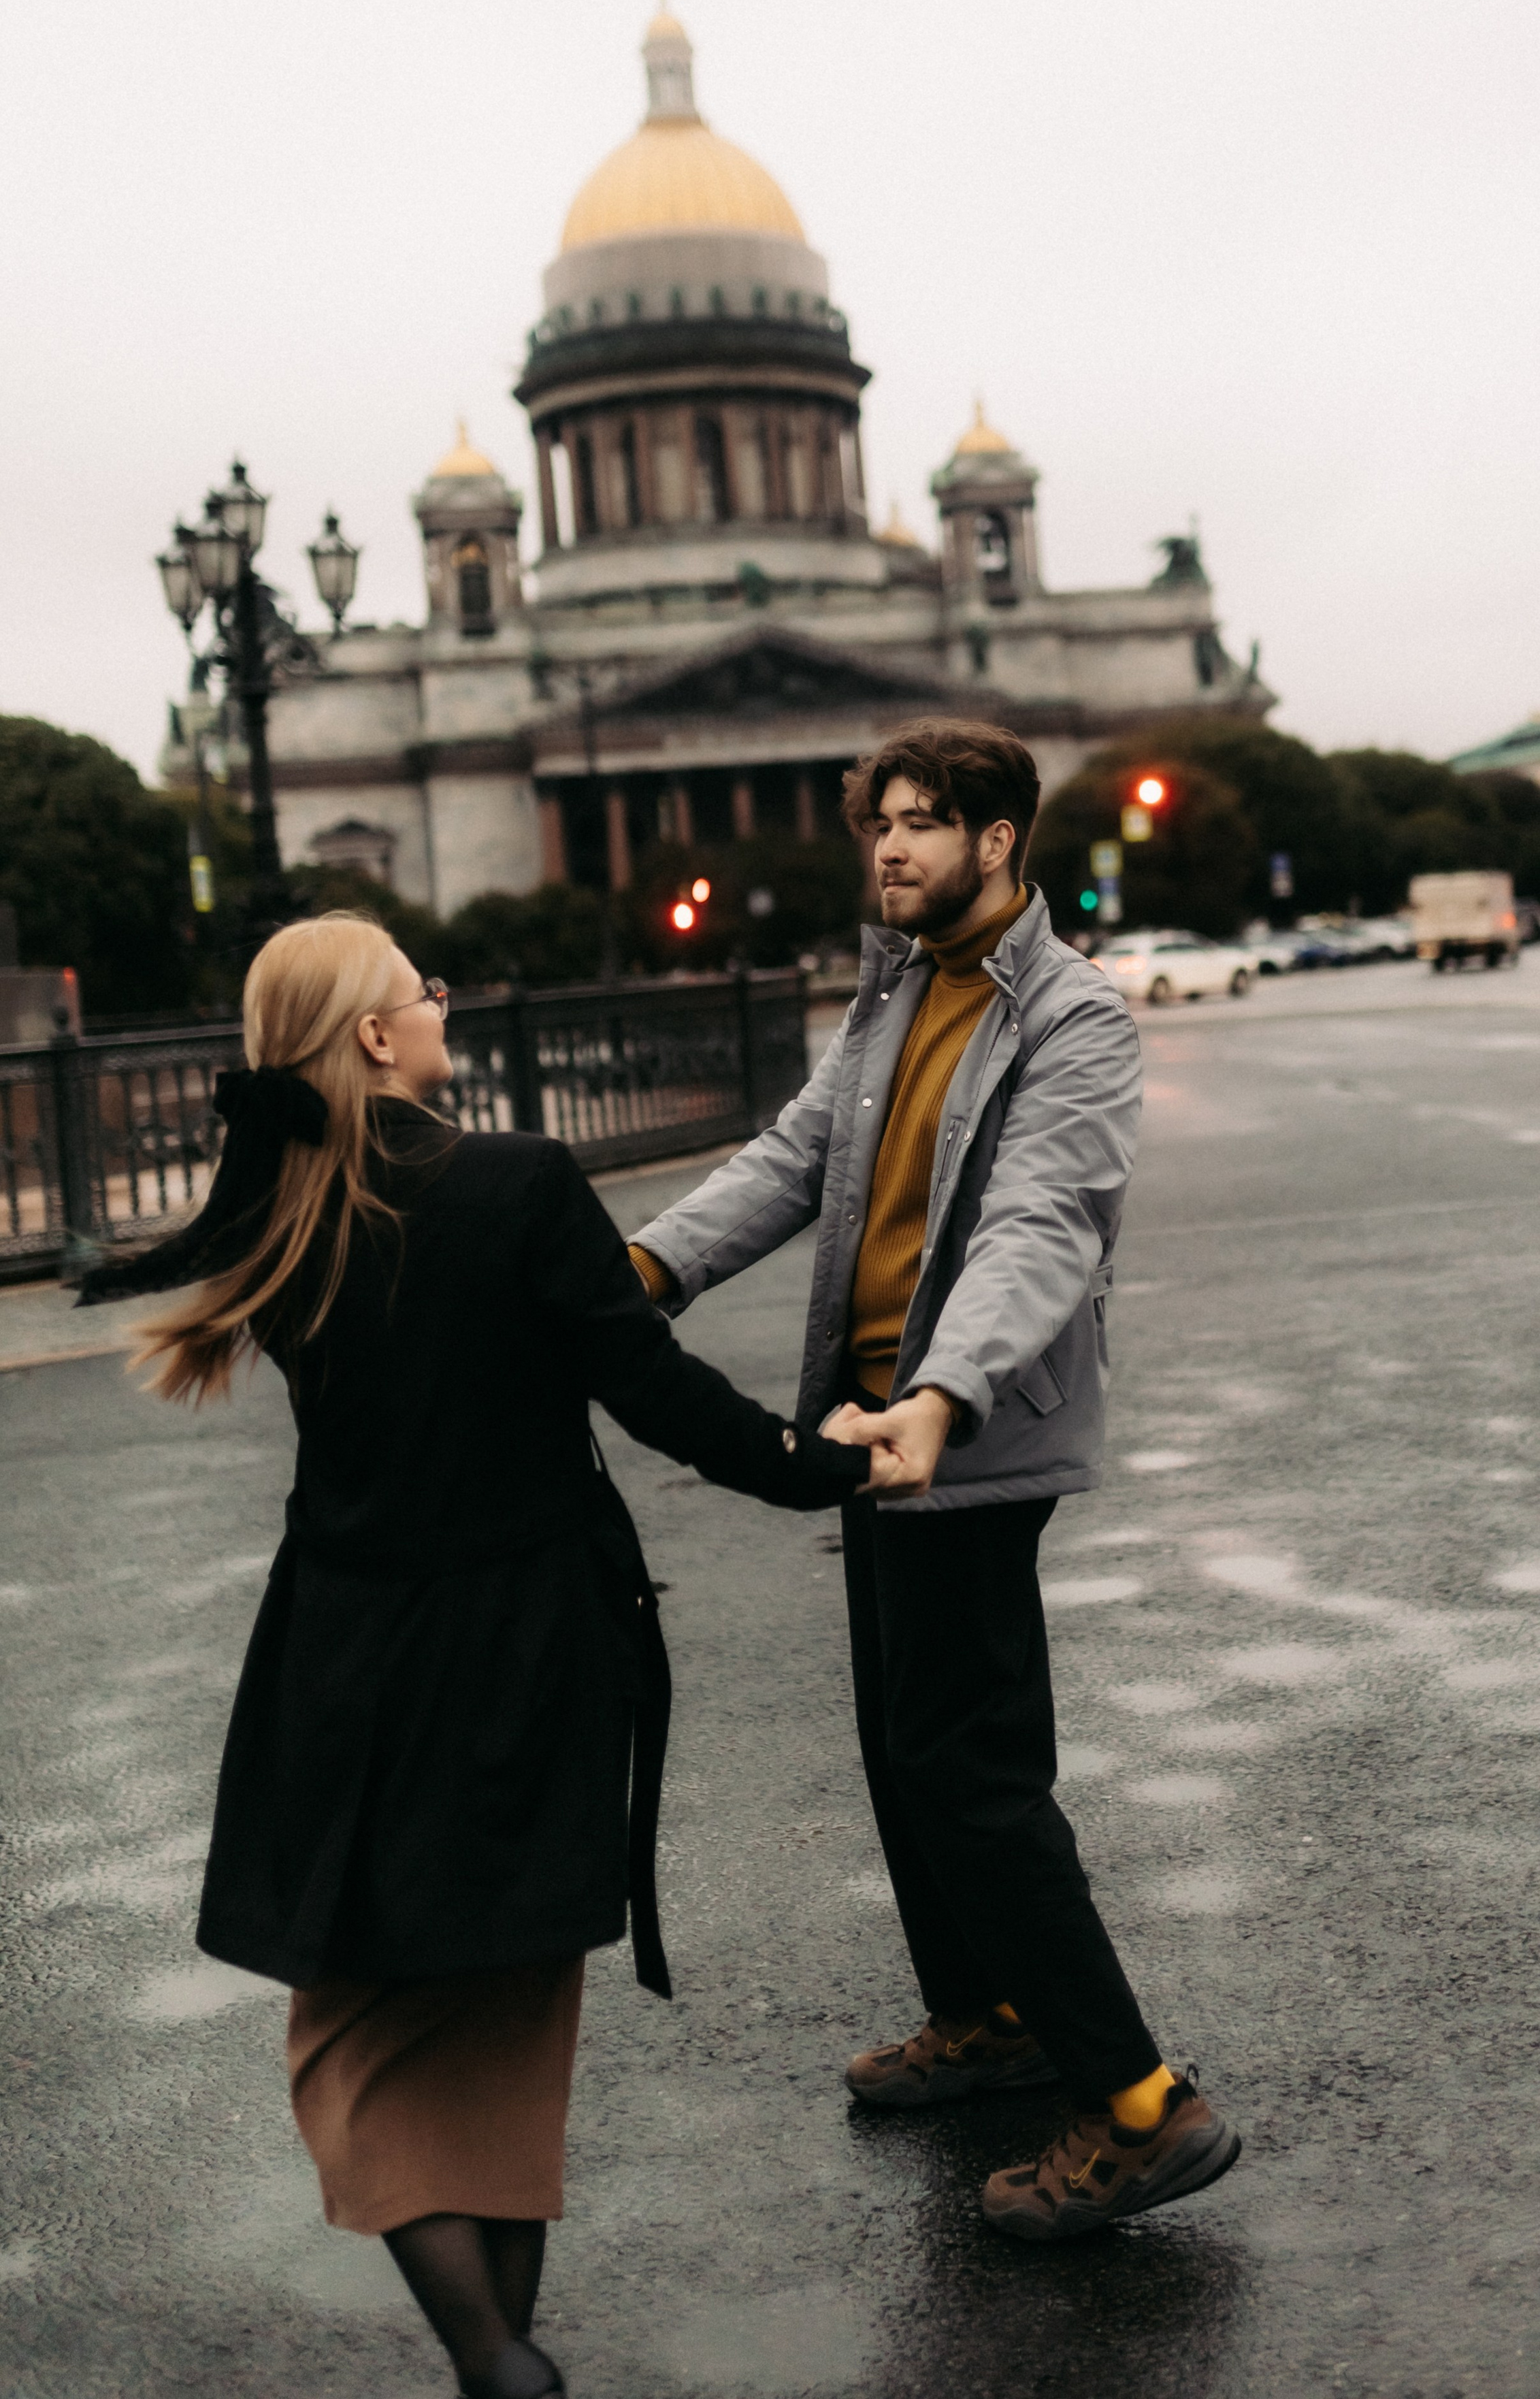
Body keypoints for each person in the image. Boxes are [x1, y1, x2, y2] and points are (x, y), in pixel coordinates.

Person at [79, 912, 875, 2399]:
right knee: (508, 2016)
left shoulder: (281, 1213)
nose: (443, 1003)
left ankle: (493, 2362)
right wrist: (821, 1462)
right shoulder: (516, 1181)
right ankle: (501, 2360)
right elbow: (651, 1389)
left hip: (352, 1658)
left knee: (354, 2028)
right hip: (535, 1647)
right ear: (377, 1035)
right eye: (422, 989)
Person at [627, 719, 1241, 2242]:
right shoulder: (897, 986)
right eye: (879, 824)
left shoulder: (1071, 1016)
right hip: (868, 1422)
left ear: (998, 837)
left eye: (919, 822)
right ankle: (987, 2015)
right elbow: (795, 1156)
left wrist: (942, 1395)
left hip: (961, 1430)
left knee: (971, 1774)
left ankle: (1141, 2102)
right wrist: (647, 1264)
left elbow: (1045, 1221)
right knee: (906, 1753)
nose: (890, 848)